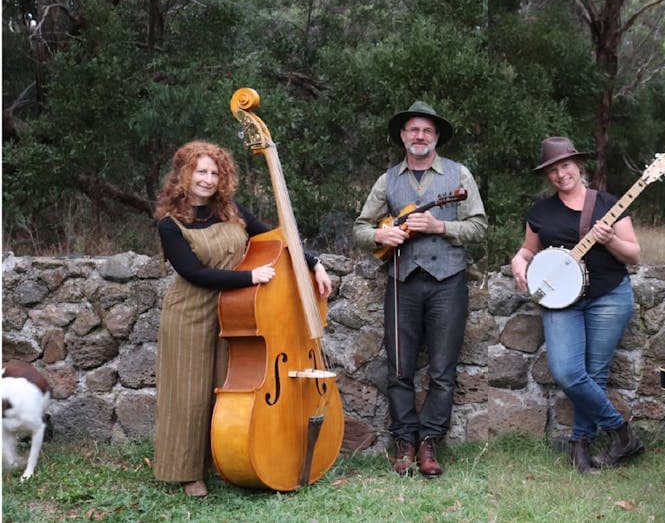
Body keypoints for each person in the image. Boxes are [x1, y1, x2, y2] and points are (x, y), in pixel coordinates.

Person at [152, 140, 332, 497]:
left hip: (236, 313)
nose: (207, 179)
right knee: (190, 395)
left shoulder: (233, 210)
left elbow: (277, 239)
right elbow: (193, 273)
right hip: (191, 312)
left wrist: (314, 263)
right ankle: (189, 475)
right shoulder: (170, 225)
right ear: (184, 176)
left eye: (214, 172)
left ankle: (226, 459)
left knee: (226, 392)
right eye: (200, 171)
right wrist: (249, 278)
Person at [353, 101, 487, 478]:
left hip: (449, 283)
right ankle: (405, 441)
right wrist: (381, 234)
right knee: (399, 368)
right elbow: (361, 227)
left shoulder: (459, 175)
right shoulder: (388, 180)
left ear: (436, 136)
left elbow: (478, 227)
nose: (419, 136)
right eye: (413, 129)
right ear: (402, 136)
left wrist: (441, 227)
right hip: (402, 281)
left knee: (443, 370)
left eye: (427, 130)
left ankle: (430, 442)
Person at [509, 136, 644, 474]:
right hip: (560, 300)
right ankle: (621, 431)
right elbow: (528, 250)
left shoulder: (608, 204)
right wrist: (518, 260)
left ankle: (579, 446)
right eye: (553, 170)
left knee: (595, 375)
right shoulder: (541, 211)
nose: (561, 174)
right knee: (568, 371)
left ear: (579, 166)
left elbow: (634, 255)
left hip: (609, 296)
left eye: (565, 165)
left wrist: (610, 239)